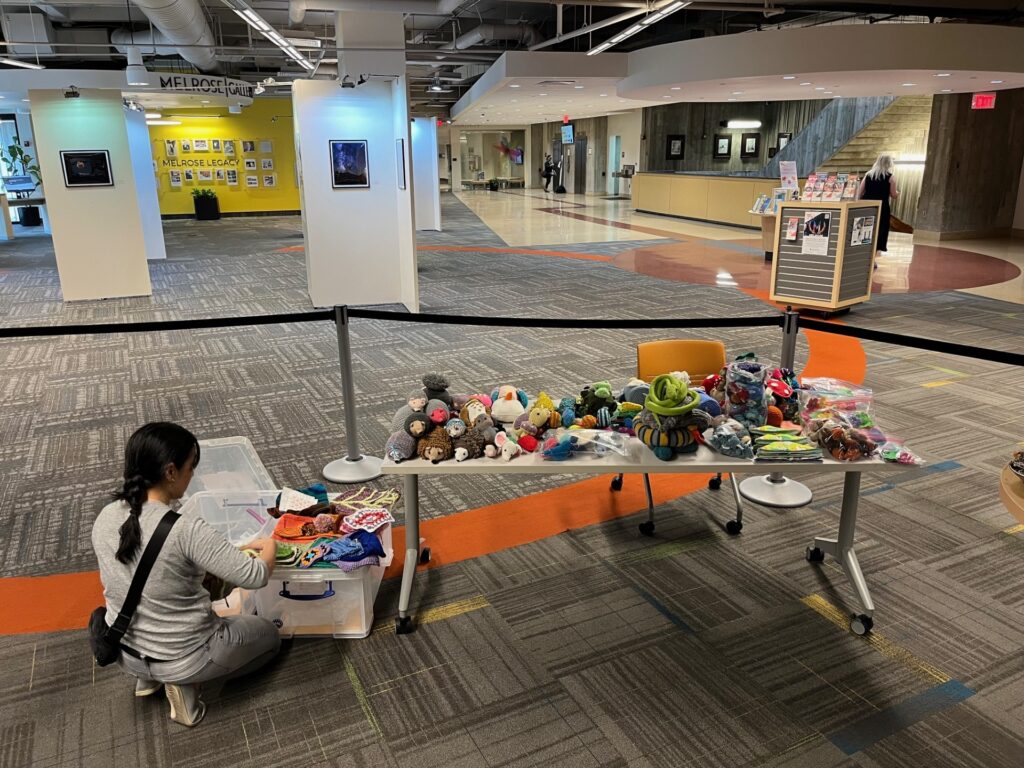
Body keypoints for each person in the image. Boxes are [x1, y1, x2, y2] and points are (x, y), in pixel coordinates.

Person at [92, 422, 280, 727]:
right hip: (187, 654)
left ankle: (146, 677)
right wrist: (269, 544)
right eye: (191, 468)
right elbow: (255, 575)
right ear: (170, 472)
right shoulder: (185, 528)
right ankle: (186, 686)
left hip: (123, 649)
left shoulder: (106, 516)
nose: (192, 476)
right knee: (269, 637)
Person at [857, 153, 899, 261]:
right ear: (889, 164)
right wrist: (898, 193)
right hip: (882, 208)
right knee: (879, 231)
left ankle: (862, 254)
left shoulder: (868, 175)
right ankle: (872, 259)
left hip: (867, 207)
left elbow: (860, 192)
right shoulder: (891, 177)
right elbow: (894, 195)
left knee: (865, 230)